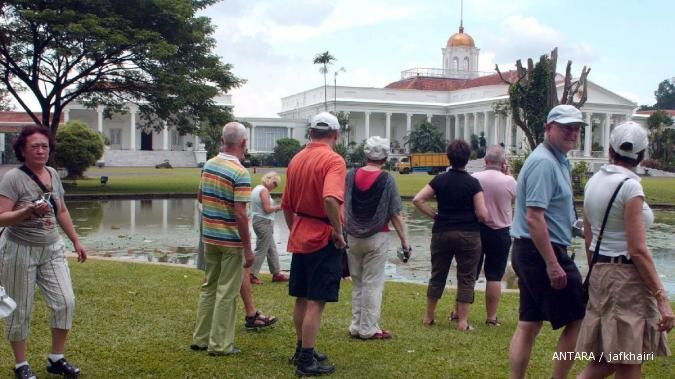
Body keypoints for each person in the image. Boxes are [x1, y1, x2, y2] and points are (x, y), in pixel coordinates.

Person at [576, 121, 673, 379]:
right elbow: (637, 248)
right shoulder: (630, 187)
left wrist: (597, 270)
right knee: (629, 360)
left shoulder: (594, 182)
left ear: (610, 149)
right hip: (626, 278)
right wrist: (662, 298)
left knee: (607, 359)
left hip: (601, 272)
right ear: (641, 155)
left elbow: (588, 238)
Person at [0, 126, 86, 379]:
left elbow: (61, 211)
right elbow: (2, 218)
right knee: (20, 309)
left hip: (52, 248)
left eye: (44, 146)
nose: (40, 150)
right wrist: (27, 212)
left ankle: (56, 359)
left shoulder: (52, 174)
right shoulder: (13, 178)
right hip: (20, 250)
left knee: (65, 302)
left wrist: (75, 240)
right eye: (34, 146)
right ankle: (21, 364)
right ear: (23, 150)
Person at [508, 104, 587, 379]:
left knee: (529, 324)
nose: (572, 133)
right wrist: (553, 264)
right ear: (548, 128)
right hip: (541, 250)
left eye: (576, 128)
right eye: (566, 127)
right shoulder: (544, 162)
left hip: (529, 249)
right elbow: (534, 218)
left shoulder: (556, 160)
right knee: (579, 316)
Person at [281, 112, 346, 376]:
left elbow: (286, 205)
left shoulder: (296, 159)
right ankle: (306, 360)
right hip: (322, 234)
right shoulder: (333, 160)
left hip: (301, 230)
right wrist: (338, 231)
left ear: (310, 133)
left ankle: (301, 349)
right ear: (335, 135)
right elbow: (331, 199)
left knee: (302, 296)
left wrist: (294, 228)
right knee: (316, 300)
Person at [190, 122, 255, 356]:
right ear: (243, 143)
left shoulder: (208, 165)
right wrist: (248, 249)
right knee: (227, 292)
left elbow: (200, 196)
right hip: (230, 241)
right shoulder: (240, 173)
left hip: (209, 236)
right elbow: (240, 213)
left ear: (222, 140)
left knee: (209, 287)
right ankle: (220, 344)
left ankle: (201, 338)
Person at [412, 139, 488, 332]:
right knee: (466, 276)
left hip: (442, 231)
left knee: (438, 273)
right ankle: (462, 322)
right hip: (468, 234)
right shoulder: (473, 183)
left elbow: (418, 199)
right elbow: (482, 213)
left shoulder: (439, 180)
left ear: (448, 157)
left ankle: (428, 316)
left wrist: (434, 215)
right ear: (467, 158)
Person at [344, 136, 410, 340]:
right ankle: (368, 328)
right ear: (385, 156)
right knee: (373, 283)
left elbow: (344, 203)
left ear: (366, 154)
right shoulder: (386, 179)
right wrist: (405, 241)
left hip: (353, 236)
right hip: (377, 235)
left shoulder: (351, 175)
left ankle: (356, 325)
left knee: (357, 282)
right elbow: (395, 213)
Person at [472, 145, 516, 327]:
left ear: (485, 160)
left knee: (468, 273)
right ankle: (491, 317)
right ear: (503, 163)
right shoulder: (510, 182)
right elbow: (514, 201)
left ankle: (458, 312)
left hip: (476, 229)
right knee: (494, 276)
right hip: (500, 232)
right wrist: (508, 175)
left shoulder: (474, 178)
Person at [249, 171, 288, 284]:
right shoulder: (264, 191)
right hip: (263, 222)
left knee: (272, 249)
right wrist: (280, 207)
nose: (275, 187)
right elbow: (267, 209)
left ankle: (276, 274)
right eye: (275, 184)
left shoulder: (257, 188)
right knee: (261, 249)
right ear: (270, 181)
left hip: (261, 221)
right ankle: (251, 274)